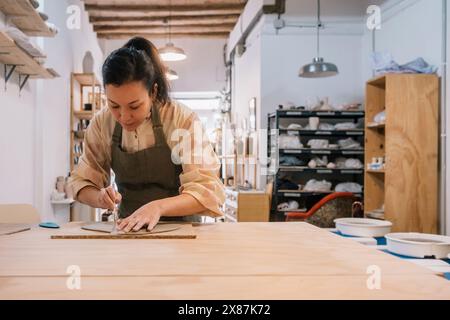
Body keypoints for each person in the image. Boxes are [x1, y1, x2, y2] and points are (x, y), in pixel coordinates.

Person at [69, 37, 225, 232]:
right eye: (114, 105)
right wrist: (99, 197)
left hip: (181, 231)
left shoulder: (181, 120)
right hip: (128, 230)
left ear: (153, 92)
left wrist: (157, 207)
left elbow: (208, 192)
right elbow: (80, 183)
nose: (124, 117)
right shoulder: (102, 123)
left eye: (134, 106)